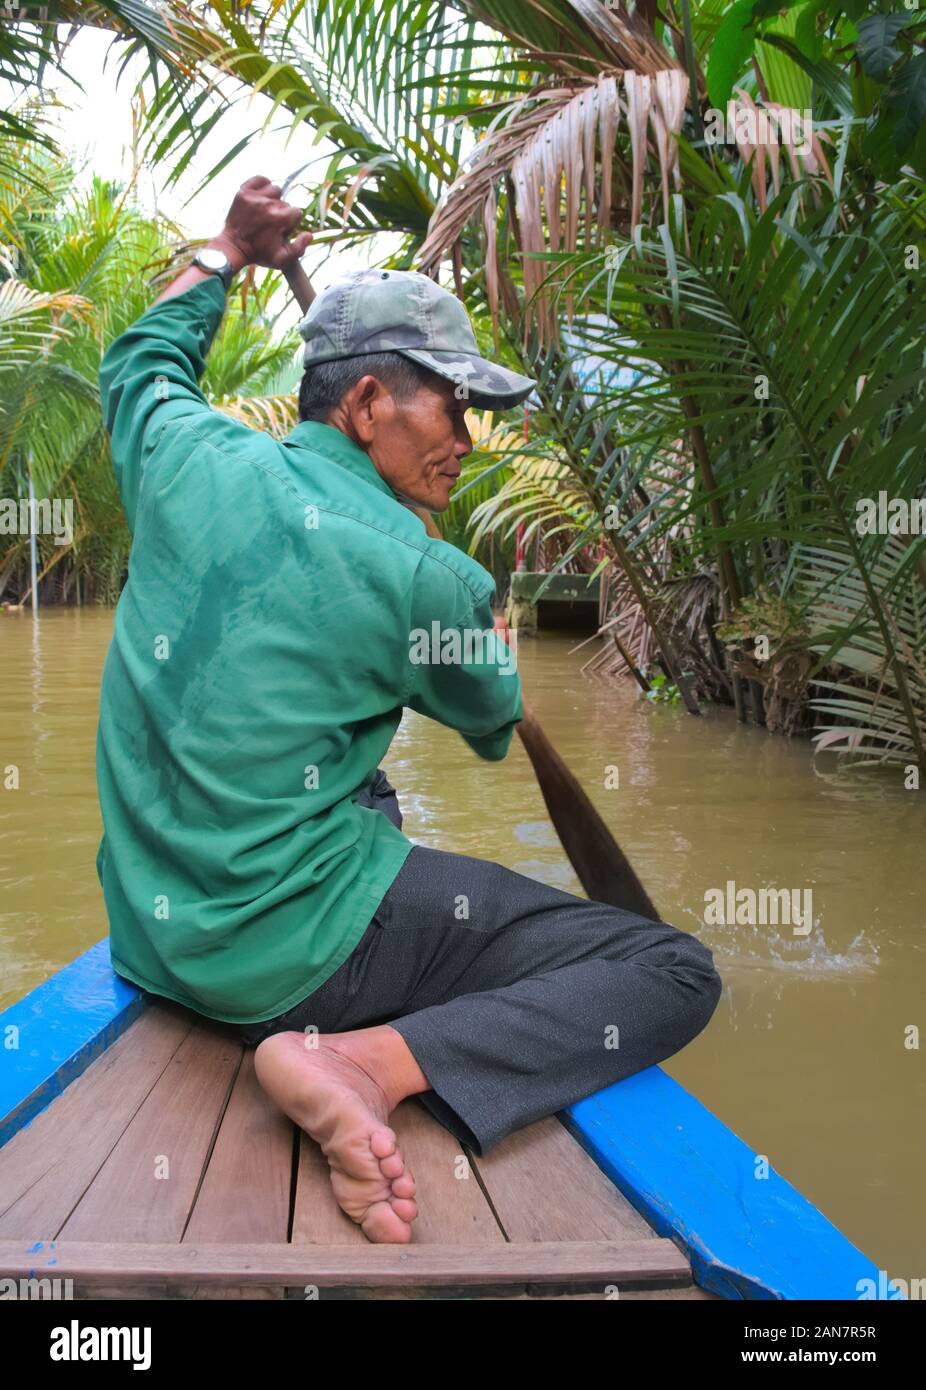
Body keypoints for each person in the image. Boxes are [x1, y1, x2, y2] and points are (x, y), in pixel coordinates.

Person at [96, 175, 722, 1245]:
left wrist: (228, 250)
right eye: (453, 405)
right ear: (371, 402)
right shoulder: (424, 573)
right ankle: (354, 1060)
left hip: (151, 935)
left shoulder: (181, 451)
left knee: (355, 770)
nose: (468, 441)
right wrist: (462, 609)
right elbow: (487, 719)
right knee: (669, 969)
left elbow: (139, 362)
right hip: (285, 958)